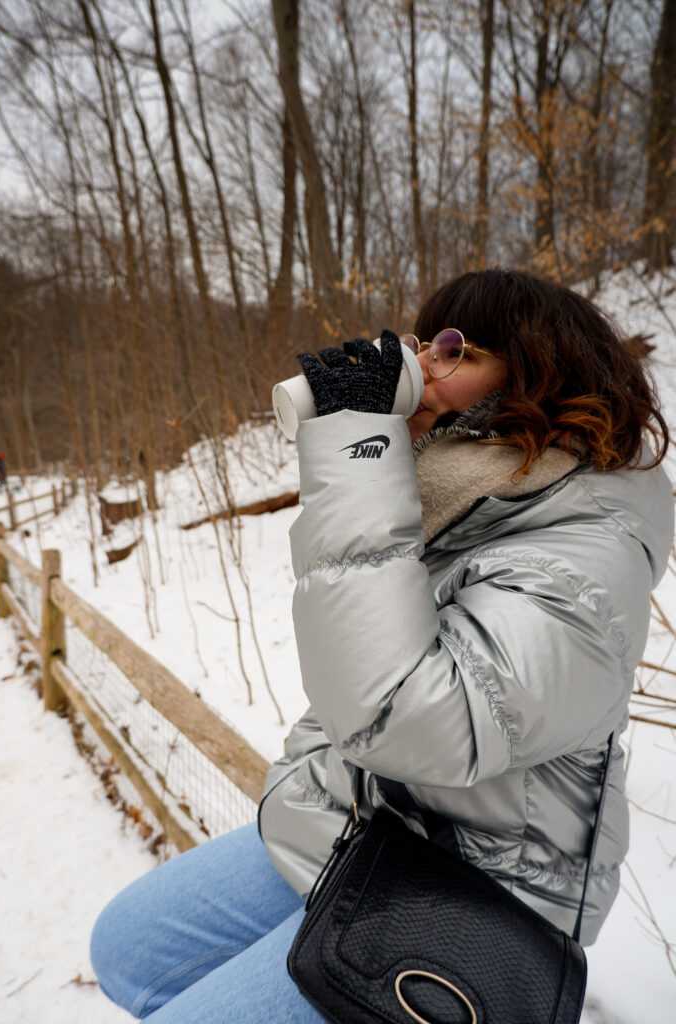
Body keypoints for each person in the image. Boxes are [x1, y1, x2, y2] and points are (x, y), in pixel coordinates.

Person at [90, 268, 673, 1023]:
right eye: (424, 341)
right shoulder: (455, 495)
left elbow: (409, 719)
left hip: (473, 881)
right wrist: (374, 453)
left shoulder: (587, 545)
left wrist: (357, 451)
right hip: (371, 819)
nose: (426, 363)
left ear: (539, 375)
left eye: (458, 347)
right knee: (127, 946)